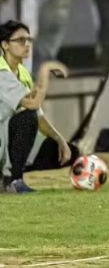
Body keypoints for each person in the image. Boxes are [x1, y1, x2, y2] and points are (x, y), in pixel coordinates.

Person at [0, 20, 79, 193]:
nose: (26, 44)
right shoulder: (1, 72)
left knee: (69, 150)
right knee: (27, 118)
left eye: (28, 40)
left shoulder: (22, 74)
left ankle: (11, 177)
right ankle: (13, 180)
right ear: (5, 45)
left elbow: (39, 115)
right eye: (20, 40)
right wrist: (45, 70)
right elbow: (32, 105)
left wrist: (60, 140)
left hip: (5, 143)